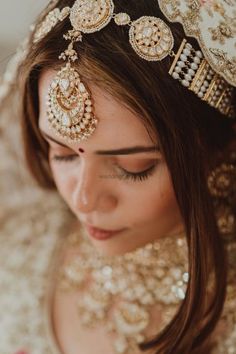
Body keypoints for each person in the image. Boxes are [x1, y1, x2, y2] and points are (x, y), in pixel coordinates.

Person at [0, 0, 235, 353]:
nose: (83, 200)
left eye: (134, 168)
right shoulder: (20, 239)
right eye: (62, 154)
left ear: (219, 151)